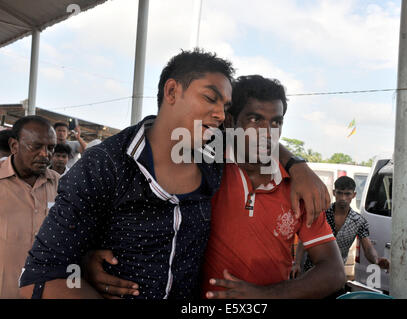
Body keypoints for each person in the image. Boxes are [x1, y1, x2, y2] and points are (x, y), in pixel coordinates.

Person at [20, 49, 330, 299]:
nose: (220, 114)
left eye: (225, 105)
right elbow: (40, 276)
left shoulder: (212, 160)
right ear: (171, 91)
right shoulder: (107, 163)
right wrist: (82, 260)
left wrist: (298, 165)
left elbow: (261, 140)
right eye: (210, 99)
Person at [85, 75, 345, 299]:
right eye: (255, 119)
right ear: (230, 122)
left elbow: (333, 272)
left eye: (276, 122)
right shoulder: (204, 165)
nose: (267, 132)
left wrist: (264, 296)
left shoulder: (297, 187)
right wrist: (88, 255)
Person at [0, 116, 59, 298]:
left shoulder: (62, 186)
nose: (45, 154)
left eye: (50, 148)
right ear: (14, 146)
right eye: (36, 147)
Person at [291, 176, 390, 284]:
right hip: (310, 270)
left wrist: (376, 260)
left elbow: (368, 247)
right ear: (334, 193)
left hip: (335, 274)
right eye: (340, 193)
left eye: (347, 194)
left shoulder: (359, 221)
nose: (343, 198)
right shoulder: (321, 214)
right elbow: (304, 239)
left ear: (354, 195)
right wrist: (296, 263)